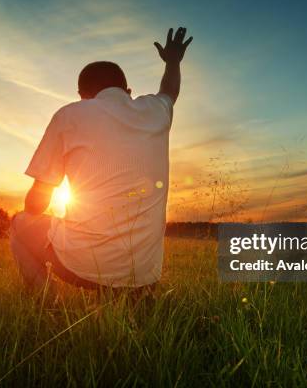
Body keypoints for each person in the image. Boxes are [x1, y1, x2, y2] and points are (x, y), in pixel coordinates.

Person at [10, 27, 193, 291]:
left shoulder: (69, 114)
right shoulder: (155, 111)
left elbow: (36, 204)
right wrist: (173, 62)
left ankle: (46, 308)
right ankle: (126, 296)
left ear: (82, 95)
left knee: (19, 223)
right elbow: (170, 91)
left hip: (82, 269)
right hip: (143, 274)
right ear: (128, 91)